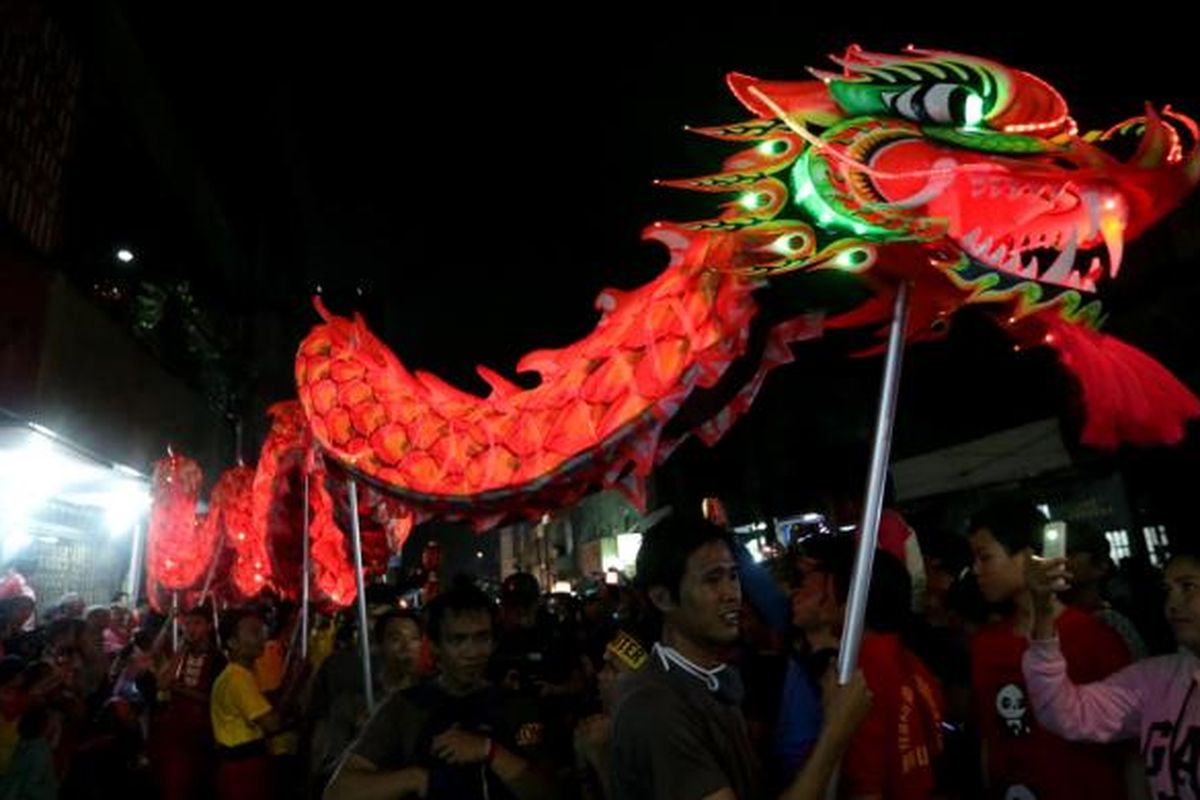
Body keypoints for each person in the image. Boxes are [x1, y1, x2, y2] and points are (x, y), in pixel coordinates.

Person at [610, 514, 872, 800]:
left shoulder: (718, 680)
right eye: (712, 580)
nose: (731, 594)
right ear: (662, 598)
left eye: (733, 576)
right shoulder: (657, 708)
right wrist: (835, 732)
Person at [326, 582, 557, 800]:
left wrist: (490, 751)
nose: (471, 652)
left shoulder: (515, 705)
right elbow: (339, 791)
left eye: (481, 638)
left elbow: (548, 790)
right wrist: (416, 778)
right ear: (436, 646)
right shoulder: (406, 707)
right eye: (458, 640)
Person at [968, 498, 1132, 800]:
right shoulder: (984, 645)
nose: (975, 570)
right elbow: (989, 739)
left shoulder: (1094, 638)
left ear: (1028, 558)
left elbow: (1129, 749)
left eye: (985, 557)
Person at [1023, 539, 1200, 798]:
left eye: (1188, 587)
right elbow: (1065, 712)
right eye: (1168, 589)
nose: (1172, 603)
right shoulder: (1156, 678)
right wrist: (1043, 611)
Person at [787, 535, 944, 799]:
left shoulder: (859, 680)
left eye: (831, 587)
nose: (825, 595)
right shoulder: (916, 667)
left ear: (853, 603)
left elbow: (864, 786)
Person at [211, 609, 291, 800]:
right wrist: (295, 685)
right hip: (243, 769)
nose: (262, 638)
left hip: (240, 766)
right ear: (232, 642)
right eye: (254, 632)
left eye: (262, 631)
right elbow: (272, 723)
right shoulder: (238, 677)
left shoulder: (239, 673)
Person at [152, 604, 223, 800]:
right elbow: (163, 683)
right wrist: (181, 648)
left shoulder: (218, 659)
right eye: (187, 623)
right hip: (176, 729)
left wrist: (179, 689)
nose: (191, 628)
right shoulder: (182, 652)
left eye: (197, 623)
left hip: (203, 732)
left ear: (209, 626)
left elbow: (213, 700)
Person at [1061, 523, 1148, 660]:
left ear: (1101, 566)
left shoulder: (1113, 622)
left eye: (1070, 552)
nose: (1060, 560)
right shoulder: (1043, 617)